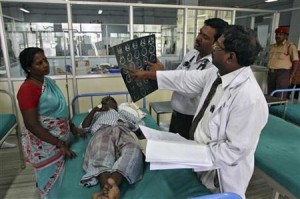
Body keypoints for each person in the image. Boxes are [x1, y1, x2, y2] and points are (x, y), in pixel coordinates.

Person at [130, 25, 268, 199]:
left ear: (230, 57)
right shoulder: (215, 74)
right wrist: (150, 75)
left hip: (221, 176)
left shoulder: (249, 98)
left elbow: (234, 150)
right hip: (201, 162)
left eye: (218, 46)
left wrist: (187, 153)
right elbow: (186, 79)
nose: (213, 49)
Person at [17, 47, 85, 198]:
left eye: (45, 60)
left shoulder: (47, 82)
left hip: (59, 138)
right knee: (49, 182)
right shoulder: (27, 90)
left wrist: (72, 127)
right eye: (39, 63)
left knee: (62, 180)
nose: (45, 65)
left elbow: (59, 111)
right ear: (28, 68)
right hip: (45, 146)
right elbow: (31, 124)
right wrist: (58, 144)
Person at [149, 18, 228, 139]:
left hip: (192, 120)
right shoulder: (191, 54)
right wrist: (163, 73)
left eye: (205, 37)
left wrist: (162, 74)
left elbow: (190, 91)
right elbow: (178, 75)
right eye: (200, 33)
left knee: (185, 154)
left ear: (217, 43)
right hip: (176, 115)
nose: (198, 38)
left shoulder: (214, 65)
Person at [80, 96, 144, 199]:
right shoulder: (97, 114)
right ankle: (110, 187)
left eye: (109, 101)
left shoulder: (122, 112)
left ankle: (108, 187)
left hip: (123, 129)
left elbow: (140, 123)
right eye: (104, 102)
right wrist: (95, 110)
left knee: (134, 149)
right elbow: (84, 127)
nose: (106, 103)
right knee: (100, 151)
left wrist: (133, 128)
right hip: (103, 130)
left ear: (115, 104)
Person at [267, 27, 299, 99]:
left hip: (283, 73)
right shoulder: (272, 46)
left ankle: (280, 109)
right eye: (277, 34)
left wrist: (291, 75)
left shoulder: (290, 46)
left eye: (280, 34)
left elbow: (295, 61)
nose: (278, 36)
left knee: (280, 94)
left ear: (285, 36)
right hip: (271, 72)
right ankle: (271, 109)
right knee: (271, 93)